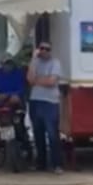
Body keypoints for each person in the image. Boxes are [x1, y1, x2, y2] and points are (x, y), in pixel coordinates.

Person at [26, 41, 65, 173]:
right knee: (38, 134)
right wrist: (33, 59)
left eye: (47, 49)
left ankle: (57, 164)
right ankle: (41, 163)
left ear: (50, 50)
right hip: (36, 101)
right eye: (42, 48)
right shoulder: (35, 63)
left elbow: (51, 82)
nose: (44, 51)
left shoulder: (55, 63)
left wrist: (37, 80)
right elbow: (29, 79)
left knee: (52, 134)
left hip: (50, 103)